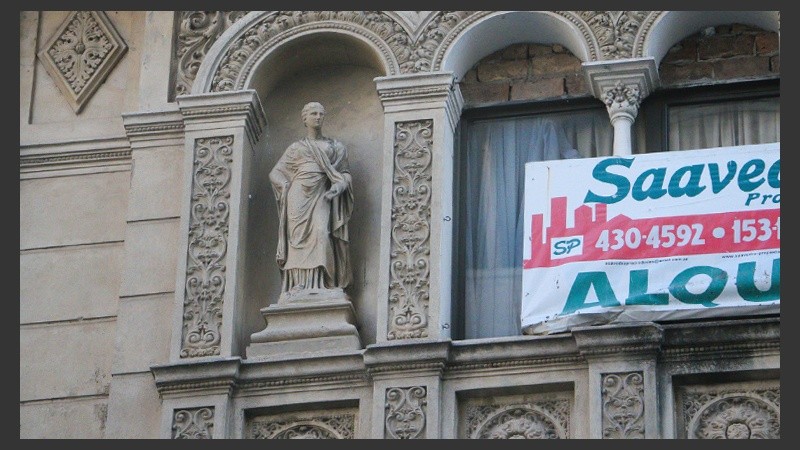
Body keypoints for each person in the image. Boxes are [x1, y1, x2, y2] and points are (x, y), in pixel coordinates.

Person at [269, 102, 353, 299]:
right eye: (313, 113)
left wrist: (338, 187)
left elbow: (345, 174)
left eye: (321, 113)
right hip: (297, 195)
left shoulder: (335, 147)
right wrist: (285, 185)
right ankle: (298, 286)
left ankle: (324, 283)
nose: (318, 117)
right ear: (304, 118)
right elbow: (275, 173)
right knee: (297, 239)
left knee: (321, 233)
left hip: (323, 193)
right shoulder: (295, 148)